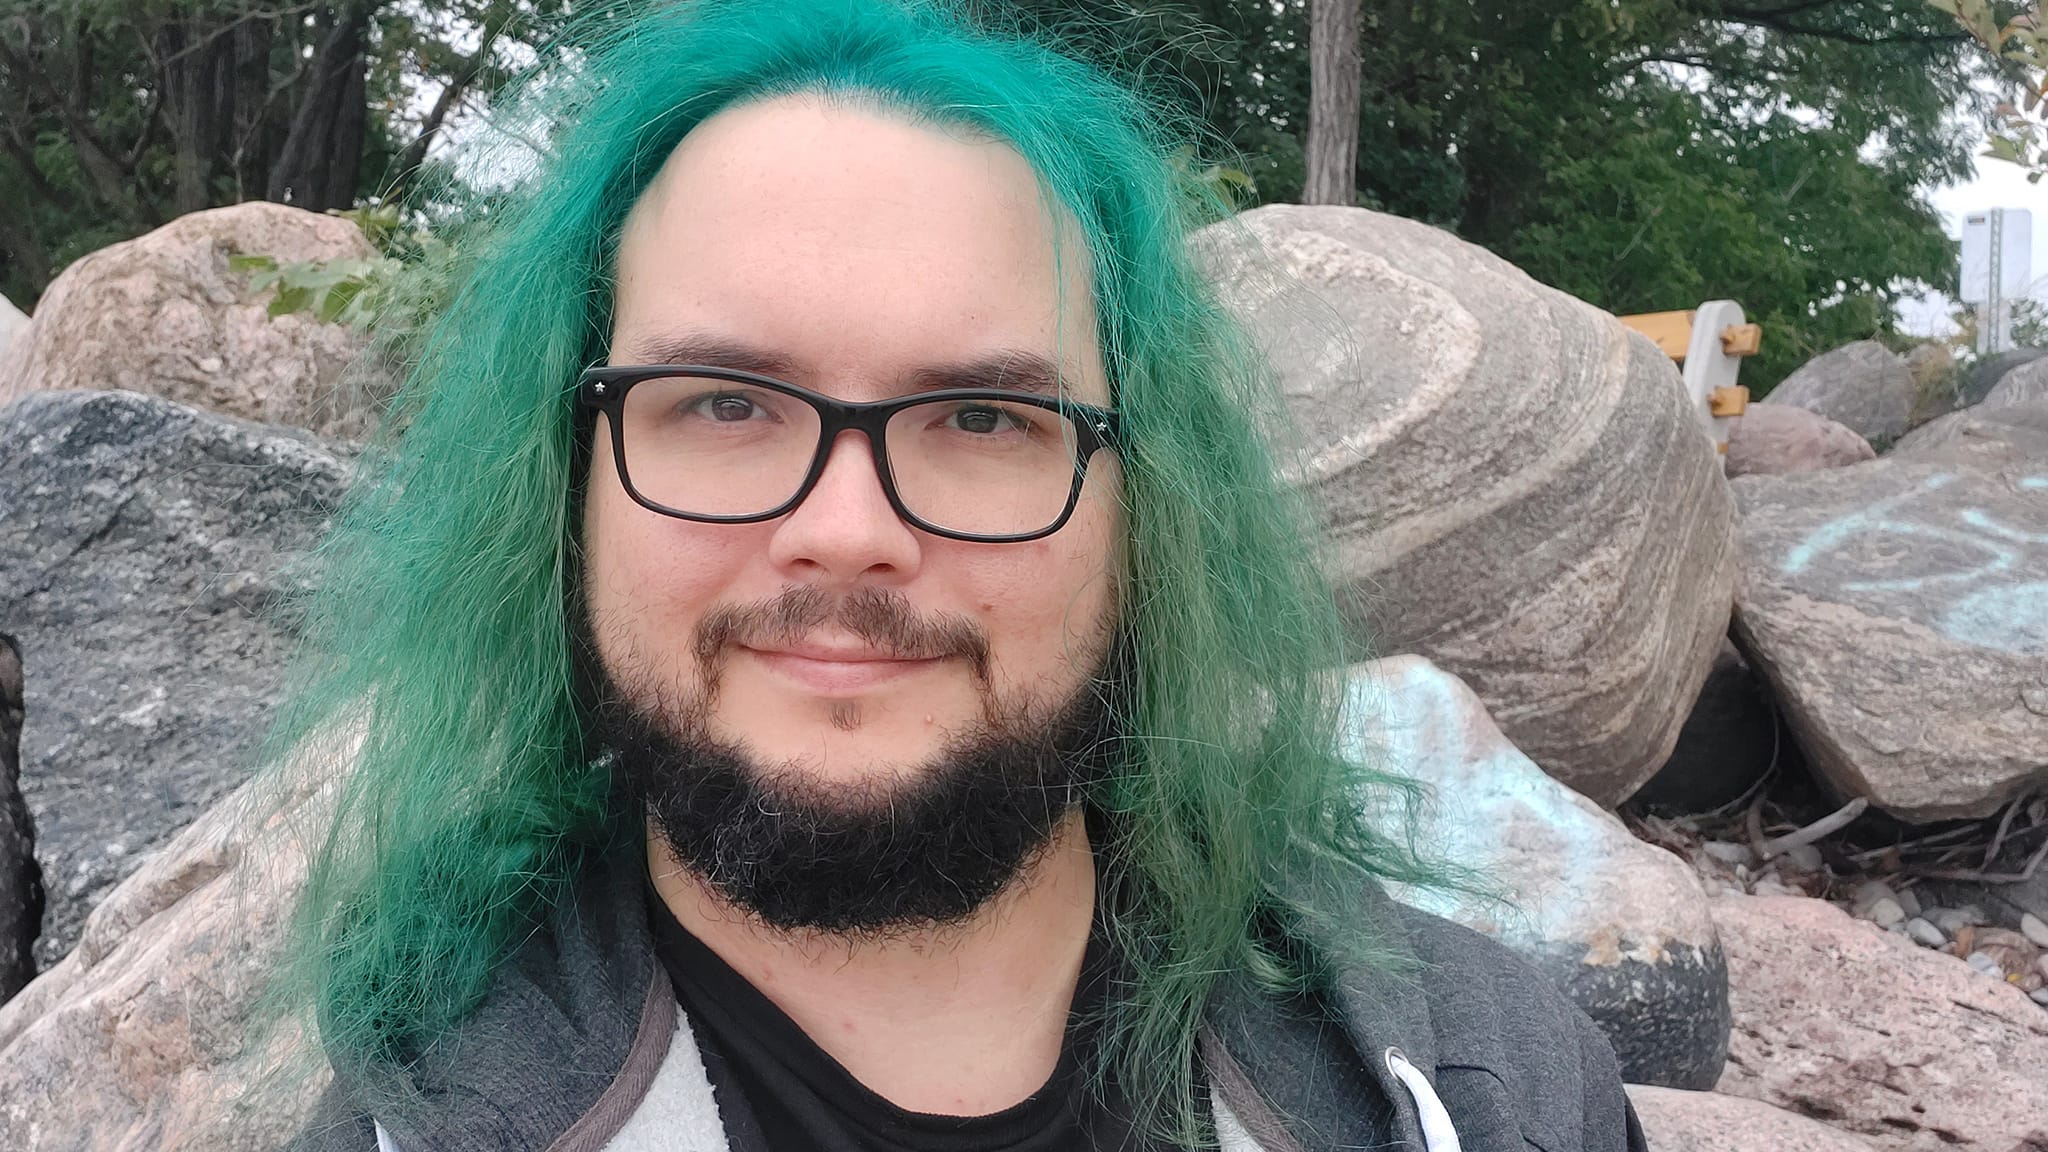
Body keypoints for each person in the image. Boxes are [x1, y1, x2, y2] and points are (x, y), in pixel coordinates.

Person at [279, 3, 1647, 1149]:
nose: (847, 528)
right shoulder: (405, 1122)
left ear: (1143, 513)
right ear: (563, 483)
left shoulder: (1493, 1091)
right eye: (722, 403)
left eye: (985, 420)